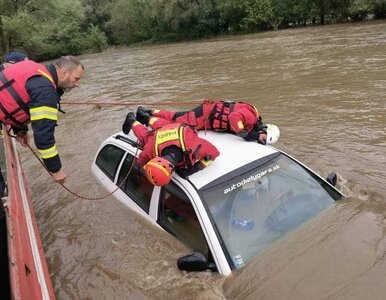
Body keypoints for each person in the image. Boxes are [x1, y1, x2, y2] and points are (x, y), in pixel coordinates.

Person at [0, 56, 84, 183]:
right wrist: (56, 170)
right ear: (64, 73)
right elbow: (43, 135)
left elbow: (16, 95)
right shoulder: (46, 92)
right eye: (76, 78)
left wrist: (20, 130)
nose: (77, 84)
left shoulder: (37, 70)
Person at [122, 112, 220, 186]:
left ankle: (139, 118)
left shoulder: (193, 146)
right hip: (162, 131)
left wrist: (195, 168)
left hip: (175, 128)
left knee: (146, 137)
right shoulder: (150, 149)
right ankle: (136, 119)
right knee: (151, 132)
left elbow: (215, 153)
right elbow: (141, 161)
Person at [136, 99, 279, 145]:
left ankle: (149, 112)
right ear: (264, 130)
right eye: (263, 138)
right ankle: (145, 116)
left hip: (208, 116)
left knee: (176, 116)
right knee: (177, 124)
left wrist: (248, 134)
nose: (260, 139)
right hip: (204, 116)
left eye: (262, 141)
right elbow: (234, 117)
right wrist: (244, 134)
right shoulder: (251, 117)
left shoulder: (253, 124)